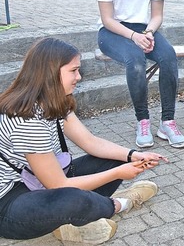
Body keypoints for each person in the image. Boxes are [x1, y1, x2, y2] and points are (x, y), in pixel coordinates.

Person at [0, 38, 167, 244]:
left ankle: (72, 220)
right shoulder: (26, 120)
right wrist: (117, 174)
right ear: (50, 72)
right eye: (73, 71)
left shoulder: (54, 102)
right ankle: (119, 204)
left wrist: (133, 155)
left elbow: (91, 142)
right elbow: (57, 185)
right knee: (74, 199)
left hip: (40, 185)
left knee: (116, 158)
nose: (78, 77)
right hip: (9, 205)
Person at [97, 0, 184, 149]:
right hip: (112, 32)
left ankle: (167, 122)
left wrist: (147, 33)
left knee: (168, 56)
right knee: (136, 60)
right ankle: (143, 121)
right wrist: (134, 37)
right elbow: (108, 19)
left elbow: (157, 16)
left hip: (145, 28)